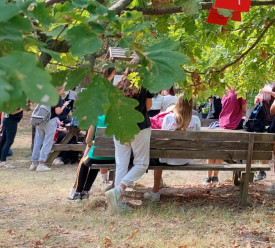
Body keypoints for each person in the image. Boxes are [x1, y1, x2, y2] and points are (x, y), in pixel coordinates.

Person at [105, 72, 154, 212]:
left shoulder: (118, 84)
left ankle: (117, 203)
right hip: (139, 127)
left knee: (121, 164)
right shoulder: (145, 85)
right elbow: (149, 107)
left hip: (120, 126)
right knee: (142, 164)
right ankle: (118, 191)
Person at [143, 96, 201, 202]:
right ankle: (158, 185)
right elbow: (197, 141)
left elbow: (163, 139)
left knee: (158, 154)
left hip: (168, 159)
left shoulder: (168, 118)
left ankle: (155, 192)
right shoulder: (196, 120)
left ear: (177, 104)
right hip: (185, 159)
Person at [68, 114, 115, 200]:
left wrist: (94, 145)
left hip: (97, 155)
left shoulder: (96, 118)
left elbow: (88, 140)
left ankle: (78, 192)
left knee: (84, 163)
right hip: (114, 158)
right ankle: (85, 191)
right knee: (94, 165)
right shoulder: (119, 118)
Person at [205, 87, 246, 184]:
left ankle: (208, 177)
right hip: (234, 126)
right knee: (222, 150)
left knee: (215, 149)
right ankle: (215, 177)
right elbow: (244, 110)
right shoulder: (240, 92)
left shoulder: (224, 92)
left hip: (222, 124)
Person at [30, 87, 73, 172]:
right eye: (62, 89)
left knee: (38, 141)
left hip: (40, 120)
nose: (63, 91)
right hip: (50, 120)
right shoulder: (57, 97)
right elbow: (58, 111)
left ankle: (34, 163)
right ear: (59, 90)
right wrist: (64, 105)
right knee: (47, 141)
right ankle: (41, 163)